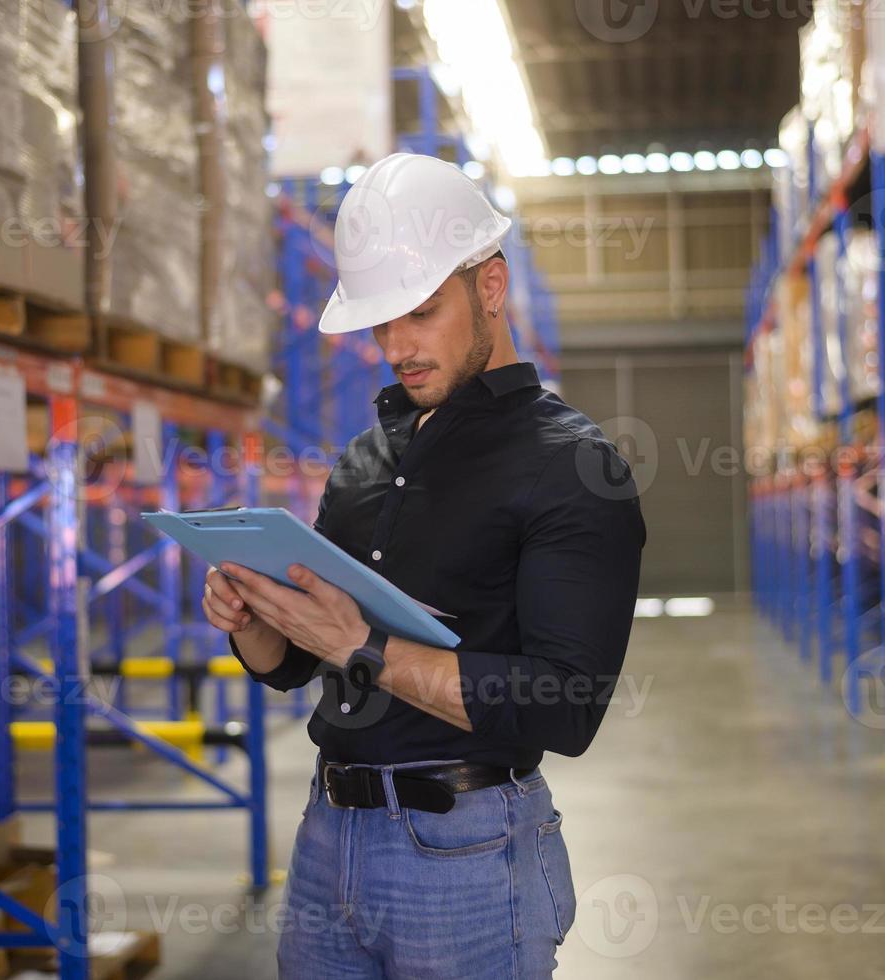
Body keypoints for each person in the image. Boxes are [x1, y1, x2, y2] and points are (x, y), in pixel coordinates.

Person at [202, 152, 646, 978]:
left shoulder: (575, 468)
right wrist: (254, 621)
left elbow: (565, 706)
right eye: (379, 323)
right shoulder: (363, 463)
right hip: (327, 839)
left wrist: (363, 649)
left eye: (418, 312)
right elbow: (293, 667)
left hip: (467, 854)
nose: (395, 346)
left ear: (489, 286)